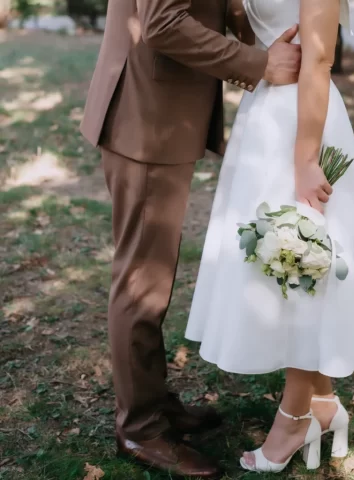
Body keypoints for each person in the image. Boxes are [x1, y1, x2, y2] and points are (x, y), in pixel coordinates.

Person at [80, 0, 302, 478]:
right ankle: (140, 429)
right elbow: (162, 23)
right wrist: (259, 64)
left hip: (156, 112)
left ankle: (153, 404)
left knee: (153, 275)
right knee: (142, 281)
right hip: (145, 117)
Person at [185, 0, 354, 473]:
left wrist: (306, 158)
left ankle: (294, 418)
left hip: (305, 120)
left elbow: (319, 56)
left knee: (301, 263)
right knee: (279, 265)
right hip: (265, 114)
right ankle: (322, 403)